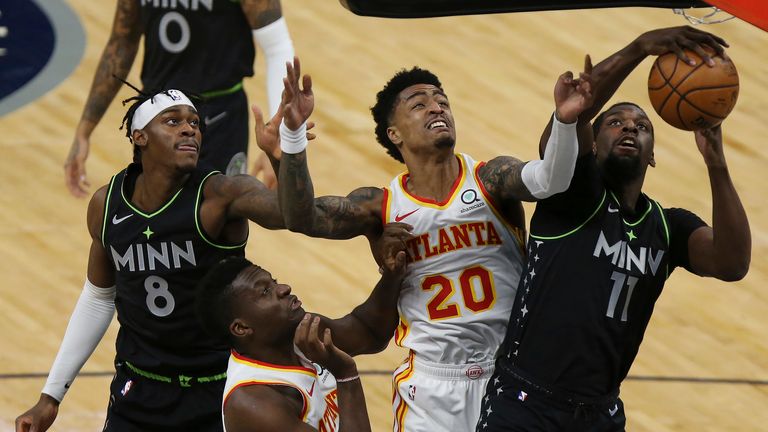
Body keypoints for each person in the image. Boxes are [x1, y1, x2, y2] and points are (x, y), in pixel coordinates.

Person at [261, 56, 596, 431]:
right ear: (394, 134)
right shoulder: (380, 205)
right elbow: (302, 218)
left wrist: (565, 121)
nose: (437, 107)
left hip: (511, 375)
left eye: (442, 101)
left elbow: (551, 180)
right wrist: (293, 136)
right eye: (419, 104)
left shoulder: (491, 179)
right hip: (433, 387)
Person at [14, 88, 371, 432]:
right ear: (139, 136)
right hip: (140, 387)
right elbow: (98, 297)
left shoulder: (220, 194)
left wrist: (287, 151)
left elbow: (294, 217)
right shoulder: (106, 205)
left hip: (217, 388)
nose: (189, 129)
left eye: (195, 122)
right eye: (173, 121)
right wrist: (51, 396)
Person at [476, 26, 751, 431]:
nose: (630, 128)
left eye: (642, 126)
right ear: (591, 143)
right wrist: (640, 47)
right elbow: (571, 118)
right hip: (525, 404)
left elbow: (732, 263)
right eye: (616, 123)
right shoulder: (572, 192)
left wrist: (716, 163)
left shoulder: (667, 226)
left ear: (652, 155)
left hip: (600, 414)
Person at [64, 0, 294, 198]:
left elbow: (277, 47)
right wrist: (84, 130)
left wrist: (279, 141)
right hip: (157, 116)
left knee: (219, 224)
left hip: (220, 119)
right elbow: (122, 41)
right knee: (153, 223)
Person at [195, 245, 407, 432]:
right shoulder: (253, 404)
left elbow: (368, 332)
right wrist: (345, 375)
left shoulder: (296, 330)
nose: (284, 288)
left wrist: (393, 273)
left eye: (274, 282)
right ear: (241, 328)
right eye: (266, 291)